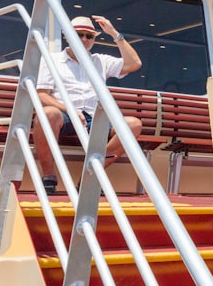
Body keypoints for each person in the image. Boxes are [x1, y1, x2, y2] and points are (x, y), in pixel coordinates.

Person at [33, 15, 143, 195]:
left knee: (133, 124)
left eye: (89, 36)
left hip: (94, 118)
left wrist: (114, 34)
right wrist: (69, 109)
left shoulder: (101, 61)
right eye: (79, 34)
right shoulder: (51, 59)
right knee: (47, 114)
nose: (84, 39)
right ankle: (49, 177)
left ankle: (89, 176)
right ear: (67, 36)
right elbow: (41, 95)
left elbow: (134, 64)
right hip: (64, 115)